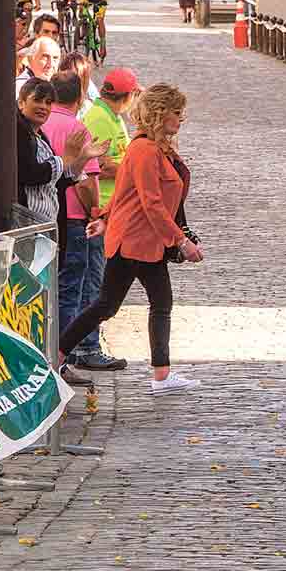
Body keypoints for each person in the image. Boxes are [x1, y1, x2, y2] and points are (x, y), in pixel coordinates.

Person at [59, 83, 205, 394]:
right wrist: (181, 241)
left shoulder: (154, 147)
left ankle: (161, 375)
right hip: (137, 241)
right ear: (160, 114)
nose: (181, 119)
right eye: (177, 114)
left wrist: (104, 220)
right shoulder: (144, 150)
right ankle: (57, 356)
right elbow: (148, 200)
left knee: (131, 303)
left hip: (142, 240)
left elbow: (127, 192)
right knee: (117, 304)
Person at [42, 71, 108, 375]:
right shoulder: (76, 127)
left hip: (47, 217)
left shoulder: (41, 123)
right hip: (75, 217)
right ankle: (69, 356)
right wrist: (95, 211)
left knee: (54, 288)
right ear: (80, 96)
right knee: (77, 289)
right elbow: (86, 181)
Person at [75, 67, 140, 371]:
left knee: (98, 281)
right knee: (94, 282)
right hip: (99, 207)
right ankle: (87, 346)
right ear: (126, 97)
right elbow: (97, 161)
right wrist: (130, 167)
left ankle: (84, 343)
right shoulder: (101, 117)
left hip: (109, 206)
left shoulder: (110, 116)